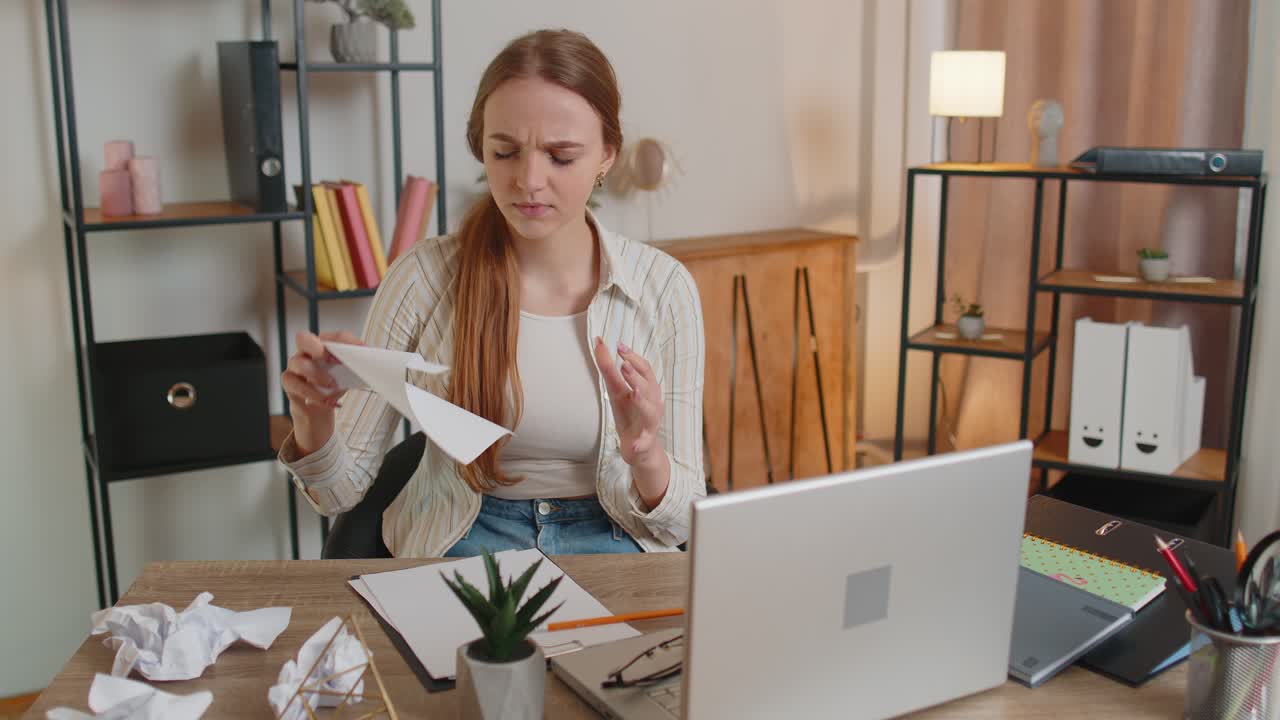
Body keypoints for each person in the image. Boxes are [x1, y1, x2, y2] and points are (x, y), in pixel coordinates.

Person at [278, 29, 706, 558]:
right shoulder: (422, 279)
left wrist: (646, 457)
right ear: (481, 147)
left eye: (561, 156)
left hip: (616, 538)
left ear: (607, 156)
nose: (528, 180)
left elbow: (683, 520)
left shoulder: (665, 289)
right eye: (504, 152)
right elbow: (336, 492)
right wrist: (313, 421)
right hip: (466, 537)